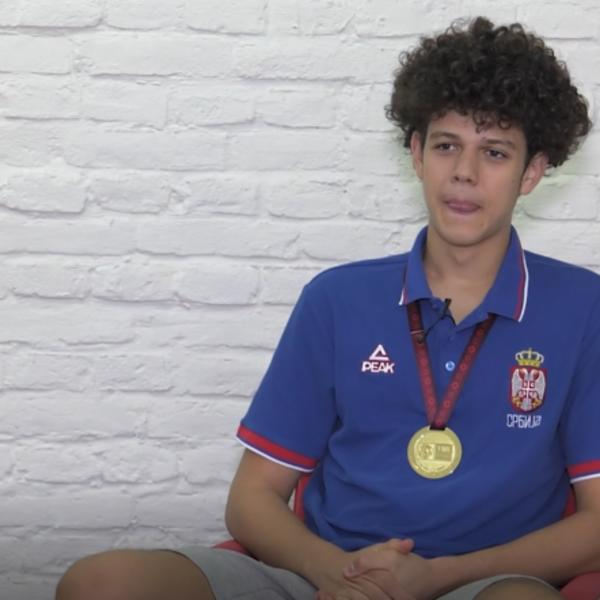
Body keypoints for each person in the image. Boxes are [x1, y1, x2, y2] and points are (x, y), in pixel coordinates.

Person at [55, 16, 600, 600]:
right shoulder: (337, 299)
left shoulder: (583, 307)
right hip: (322, 573)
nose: (464, 173)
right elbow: (252, 497)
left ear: (532, 171)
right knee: (100, 584)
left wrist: (435, 577)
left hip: (480, 583)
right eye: (446, 146)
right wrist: (336, 575)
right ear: (417, 154)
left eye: (494, 152)